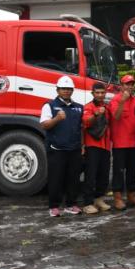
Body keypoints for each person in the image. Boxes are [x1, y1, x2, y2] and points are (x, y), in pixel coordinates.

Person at [41, 75, 84, 217]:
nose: (66, 91)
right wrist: (57, 118)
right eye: (63, 89)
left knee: (73, 179)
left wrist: (82, 146)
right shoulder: (49, 106)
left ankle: (71, 205)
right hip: (56, 149)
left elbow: (81, 128)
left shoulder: (79, 107)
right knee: (56, 179)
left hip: (75, 149)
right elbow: (44, 125)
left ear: (72, 90)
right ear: (57, 90)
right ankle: (54, 206)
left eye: (69, 89)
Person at [109, 74, 135, 210]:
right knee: (118, 171)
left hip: (134, 142)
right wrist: (122, 101)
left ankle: (132, 195)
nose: (129, 86)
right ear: (121, 86)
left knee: (132, 171)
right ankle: (118, 198)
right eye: (127, 84)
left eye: (131, 84)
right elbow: (116, 117)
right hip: (119, 143)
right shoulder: (115, 100)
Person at [81, 81, 112, 214]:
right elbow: (85, 122)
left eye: (102, 92)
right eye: (97, 92)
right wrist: (96, 114)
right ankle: (88, 203)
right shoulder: (88, 107)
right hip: (92, 146)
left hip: (106, 146)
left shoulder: (107, 107)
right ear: (92, 93)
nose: (100, 95)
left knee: (104, 175)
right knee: (90, 175)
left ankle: (99, 199)